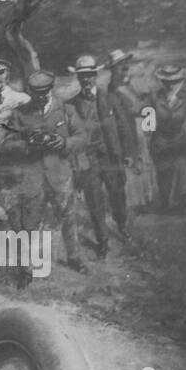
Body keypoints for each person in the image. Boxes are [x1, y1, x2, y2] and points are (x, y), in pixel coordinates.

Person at [0, 70, 88, 274]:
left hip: (60, 175)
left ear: (50, 90)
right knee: (29, 222)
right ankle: (25, 264)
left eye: (44, 93)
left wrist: (63, 143)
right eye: (35, 93)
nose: (39, 97)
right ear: (30, 92)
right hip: (32, 177)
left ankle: (74, 258)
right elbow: (6, 144)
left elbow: (81, 138)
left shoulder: (66, 110)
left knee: (68, 218)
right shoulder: (19, 113)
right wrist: (28, 145)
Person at [65, 54, 126, 256]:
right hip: (87, 160)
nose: (86, 79)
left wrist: (128, 153)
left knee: (117, 192)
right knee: (94, 201)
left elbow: (123, 126)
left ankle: (122, 224)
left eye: (90, 75)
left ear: (95, 75)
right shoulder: (71, 104)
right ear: (78, 79)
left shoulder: (109, 98)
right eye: (82, 76)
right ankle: (102, 240)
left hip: (109, 155)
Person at [104, 49, 154, 213]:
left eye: (125, 63)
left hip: (139, 129)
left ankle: (146, 200)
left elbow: (141, 106)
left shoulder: (128, 85)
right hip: (128, 131)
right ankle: (134, 206)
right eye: (120, 64)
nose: (124, 66)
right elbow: (125, 115)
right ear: (112, 69)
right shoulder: (112, 92)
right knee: (132, 165)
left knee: (143, 161)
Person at [148, 65, 186, 213]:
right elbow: (147, 122)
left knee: (183, 171)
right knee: (164, 174)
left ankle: (183, 204)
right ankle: (165, 204)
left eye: (175, 81)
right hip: (161, 141)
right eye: (167, 82)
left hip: (180, 140)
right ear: (162, 82)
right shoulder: (154, 98)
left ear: (181, 81)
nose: (171, 85)